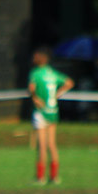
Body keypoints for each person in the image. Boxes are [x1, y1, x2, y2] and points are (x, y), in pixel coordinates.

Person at [28, 47, 73, 185]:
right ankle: (54, 177)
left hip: (41, 112)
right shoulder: (52, 73)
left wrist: (35, 98)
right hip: (53, 111)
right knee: (52, 145)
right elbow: (69, 83)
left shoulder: (36, 73)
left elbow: (31, 89)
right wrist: (57, 95)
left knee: (42, 146)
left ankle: (40, 177)